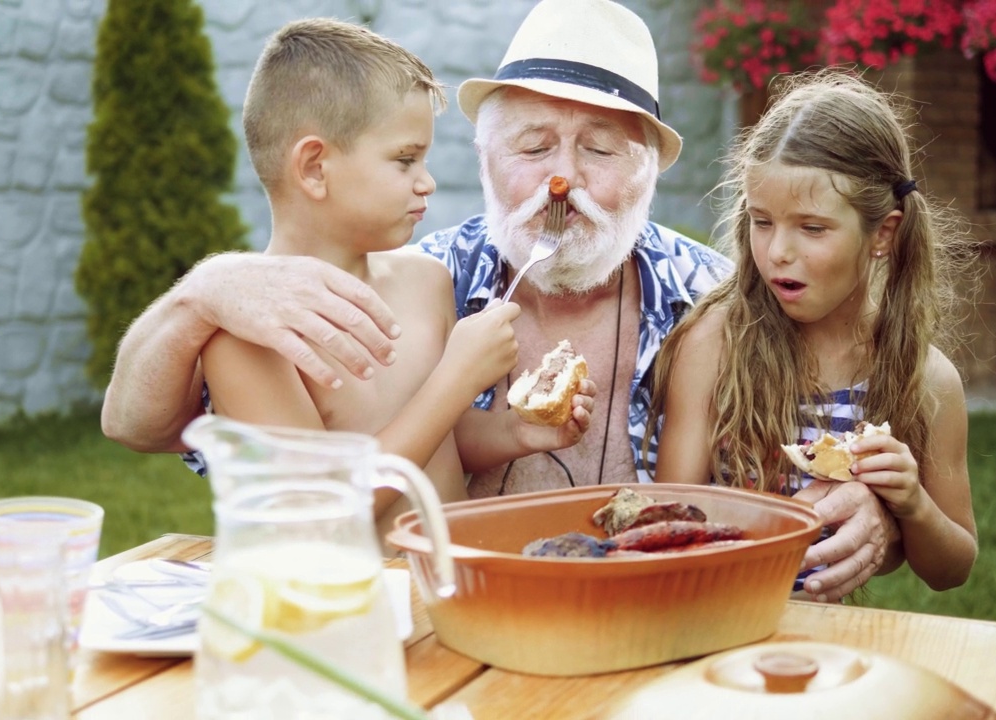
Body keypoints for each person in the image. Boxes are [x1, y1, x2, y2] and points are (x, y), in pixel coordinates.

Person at [100, 0, 903, 602]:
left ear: (647, 175)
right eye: (532, 146)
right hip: (420, 618)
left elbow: (854, 421)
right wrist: (203, 292)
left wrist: (882, 510)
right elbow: (152, 427)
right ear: (485, 158)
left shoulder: (725, 302)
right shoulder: (425, 277)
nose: (563, 181)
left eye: (598, 150)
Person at [198, 18, 599, 533]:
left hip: (456, 592)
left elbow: (439, 444)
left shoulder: (424, 281)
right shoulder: (249, 336)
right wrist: (457, 379)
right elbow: (317, 516)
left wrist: (518, 433)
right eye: (405, 160)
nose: (426, 182)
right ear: (315, 168)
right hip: (360, 605)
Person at [648, 70, 978, 597]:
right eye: (762, 221)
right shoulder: (714, 345)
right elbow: (670, 517)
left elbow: (952, 568)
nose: (779, 250)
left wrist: (911, 503)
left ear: (882, 234)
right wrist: (783, 520)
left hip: (826, 638)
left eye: (812, 228)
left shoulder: (927, 377)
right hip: (710, 608)